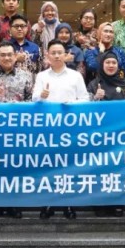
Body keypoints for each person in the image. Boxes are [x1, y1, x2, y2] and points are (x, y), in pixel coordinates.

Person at [33, 40, 88, 220]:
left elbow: (85, 99)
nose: (56, 56)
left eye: (59, 52)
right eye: (53, 53)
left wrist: (71, 104)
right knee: (48, 167)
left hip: (70, 129)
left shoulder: (75, 76)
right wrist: (41, 96)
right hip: (48, 130)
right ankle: (47, 203)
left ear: (65, 55)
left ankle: (68, 203)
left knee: (68, 167)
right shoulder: (41, 76)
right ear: (47, 55)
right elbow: (34, 99)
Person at [0, 40, 32, 220]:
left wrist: (18, 107)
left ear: (15, 56)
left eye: (10, 54)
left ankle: (14, 204)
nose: (7, 58)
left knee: (15, 167)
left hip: (18, 131)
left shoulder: (26, 76)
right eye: (3, 55)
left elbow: (31, 101)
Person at [88, 50, 125, 218]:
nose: (111, 65)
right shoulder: (94, 84)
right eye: (107, 62)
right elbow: (84, 108)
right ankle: (100, 203)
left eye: (114, 63)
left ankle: (117, 202)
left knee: (118, 169)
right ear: (102, 65)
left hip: (121, 136)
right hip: (99, 136)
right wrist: (95, 98)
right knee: (100, 169)